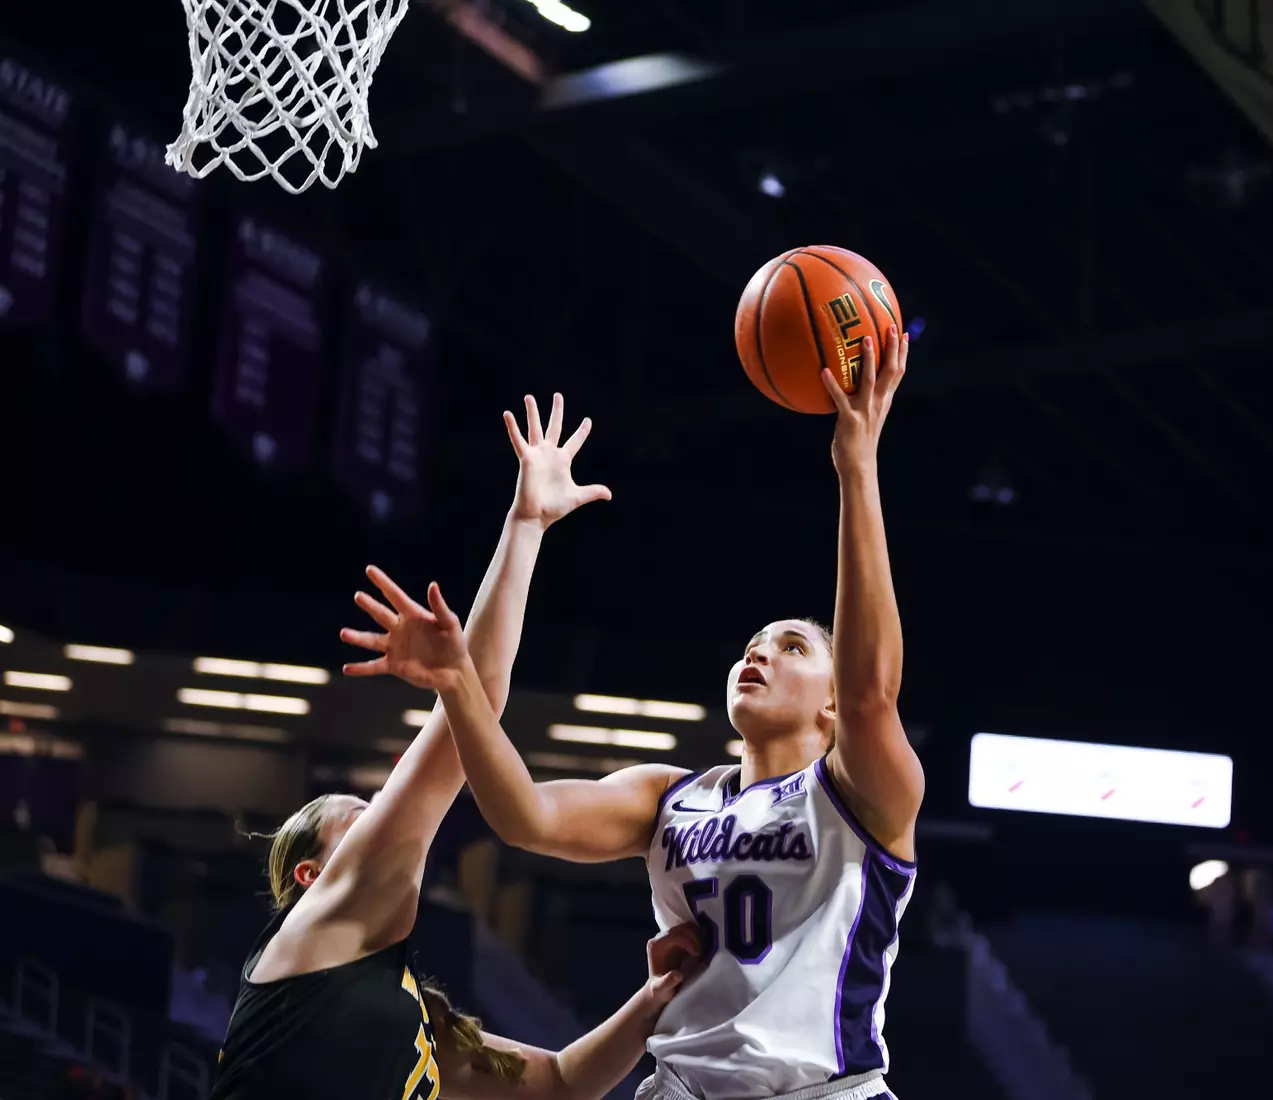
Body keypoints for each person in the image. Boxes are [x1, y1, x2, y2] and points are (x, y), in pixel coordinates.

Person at [344, 326, 923, 1100]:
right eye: (751, 644)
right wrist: (458, 680)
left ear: (828, 705)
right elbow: (526, 818)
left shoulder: (860, 796)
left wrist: (857, 467)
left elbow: (870, 693)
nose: (758, 653)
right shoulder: (668, 797)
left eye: (790, 647)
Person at [214, 397, 701, 1100]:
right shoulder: (313, 933)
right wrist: (525, 526)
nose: (385, 814)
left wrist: (654, 1000)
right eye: (363, 815)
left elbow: (561, 1084)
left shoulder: (407, 1016)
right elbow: (476, 708)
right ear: (311, 878)